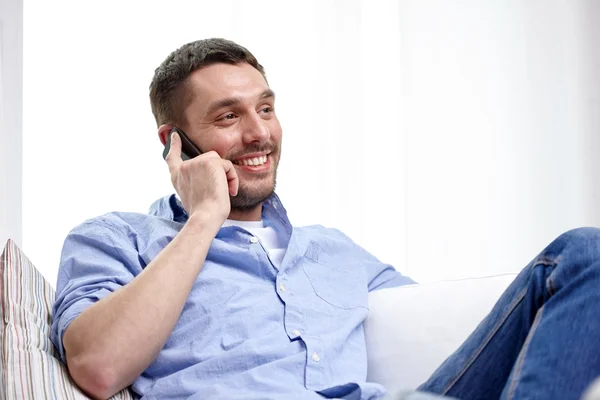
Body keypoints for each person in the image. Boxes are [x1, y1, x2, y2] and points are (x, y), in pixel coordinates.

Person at [50, 38, 600, 400]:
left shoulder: (333, 251)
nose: (259, 133)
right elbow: (99, 367)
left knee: (584, 254)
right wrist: (205, 218)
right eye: (228, 117)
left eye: (265, 108)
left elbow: (463, 337)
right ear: (175, 143)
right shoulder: (117, 239)